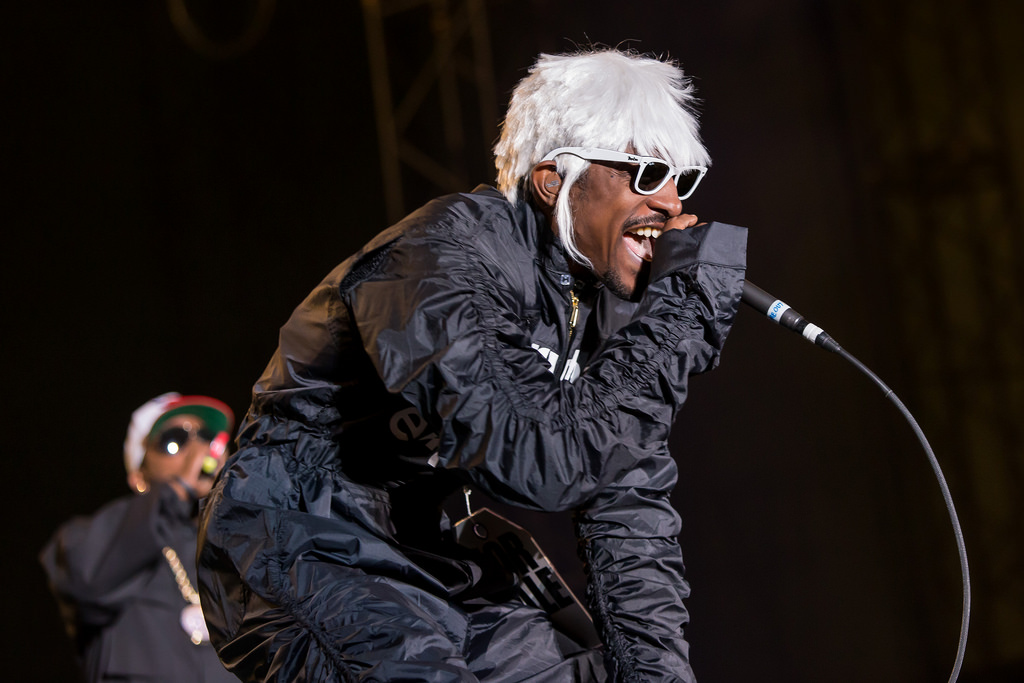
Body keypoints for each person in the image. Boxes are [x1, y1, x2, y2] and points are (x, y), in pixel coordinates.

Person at [198, 47, 747, 682]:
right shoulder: (443, 258)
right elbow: (535, 457)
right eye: (646, 173)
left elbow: (628, 509)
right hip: (299, 537)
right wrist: (677, 318)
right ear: (553, 180)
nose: (671, 204)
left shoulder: (600, 308)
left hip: (424, 549)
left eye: (682, 180)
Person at [40, 392, 239, 683]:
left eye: (207, 438)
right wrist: (178, 489)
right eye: (174, 441)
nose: (199, 449)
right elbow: (87, 581)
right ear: (139, 477)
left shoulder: (239, 551)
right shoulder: (92, 538)